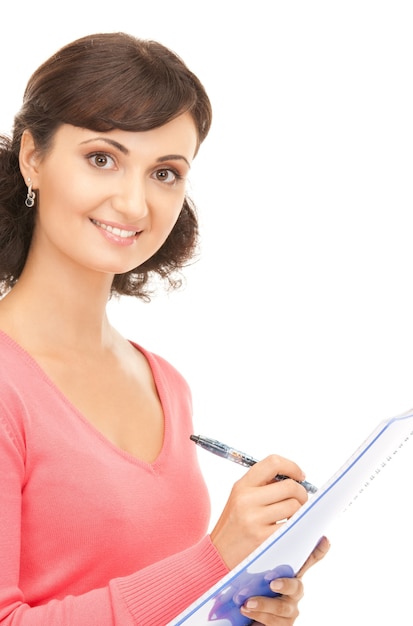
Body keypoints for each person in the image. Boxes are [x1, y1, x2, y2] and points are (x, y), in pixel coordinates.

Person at [0, 32, 329, 625]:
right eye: (102, 158)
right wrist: (212, 559)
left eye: (166, 172)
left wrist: (239, 602)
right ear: (33, 158)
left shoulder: (165, 383)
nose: (133, 203)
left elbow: (157, 602)